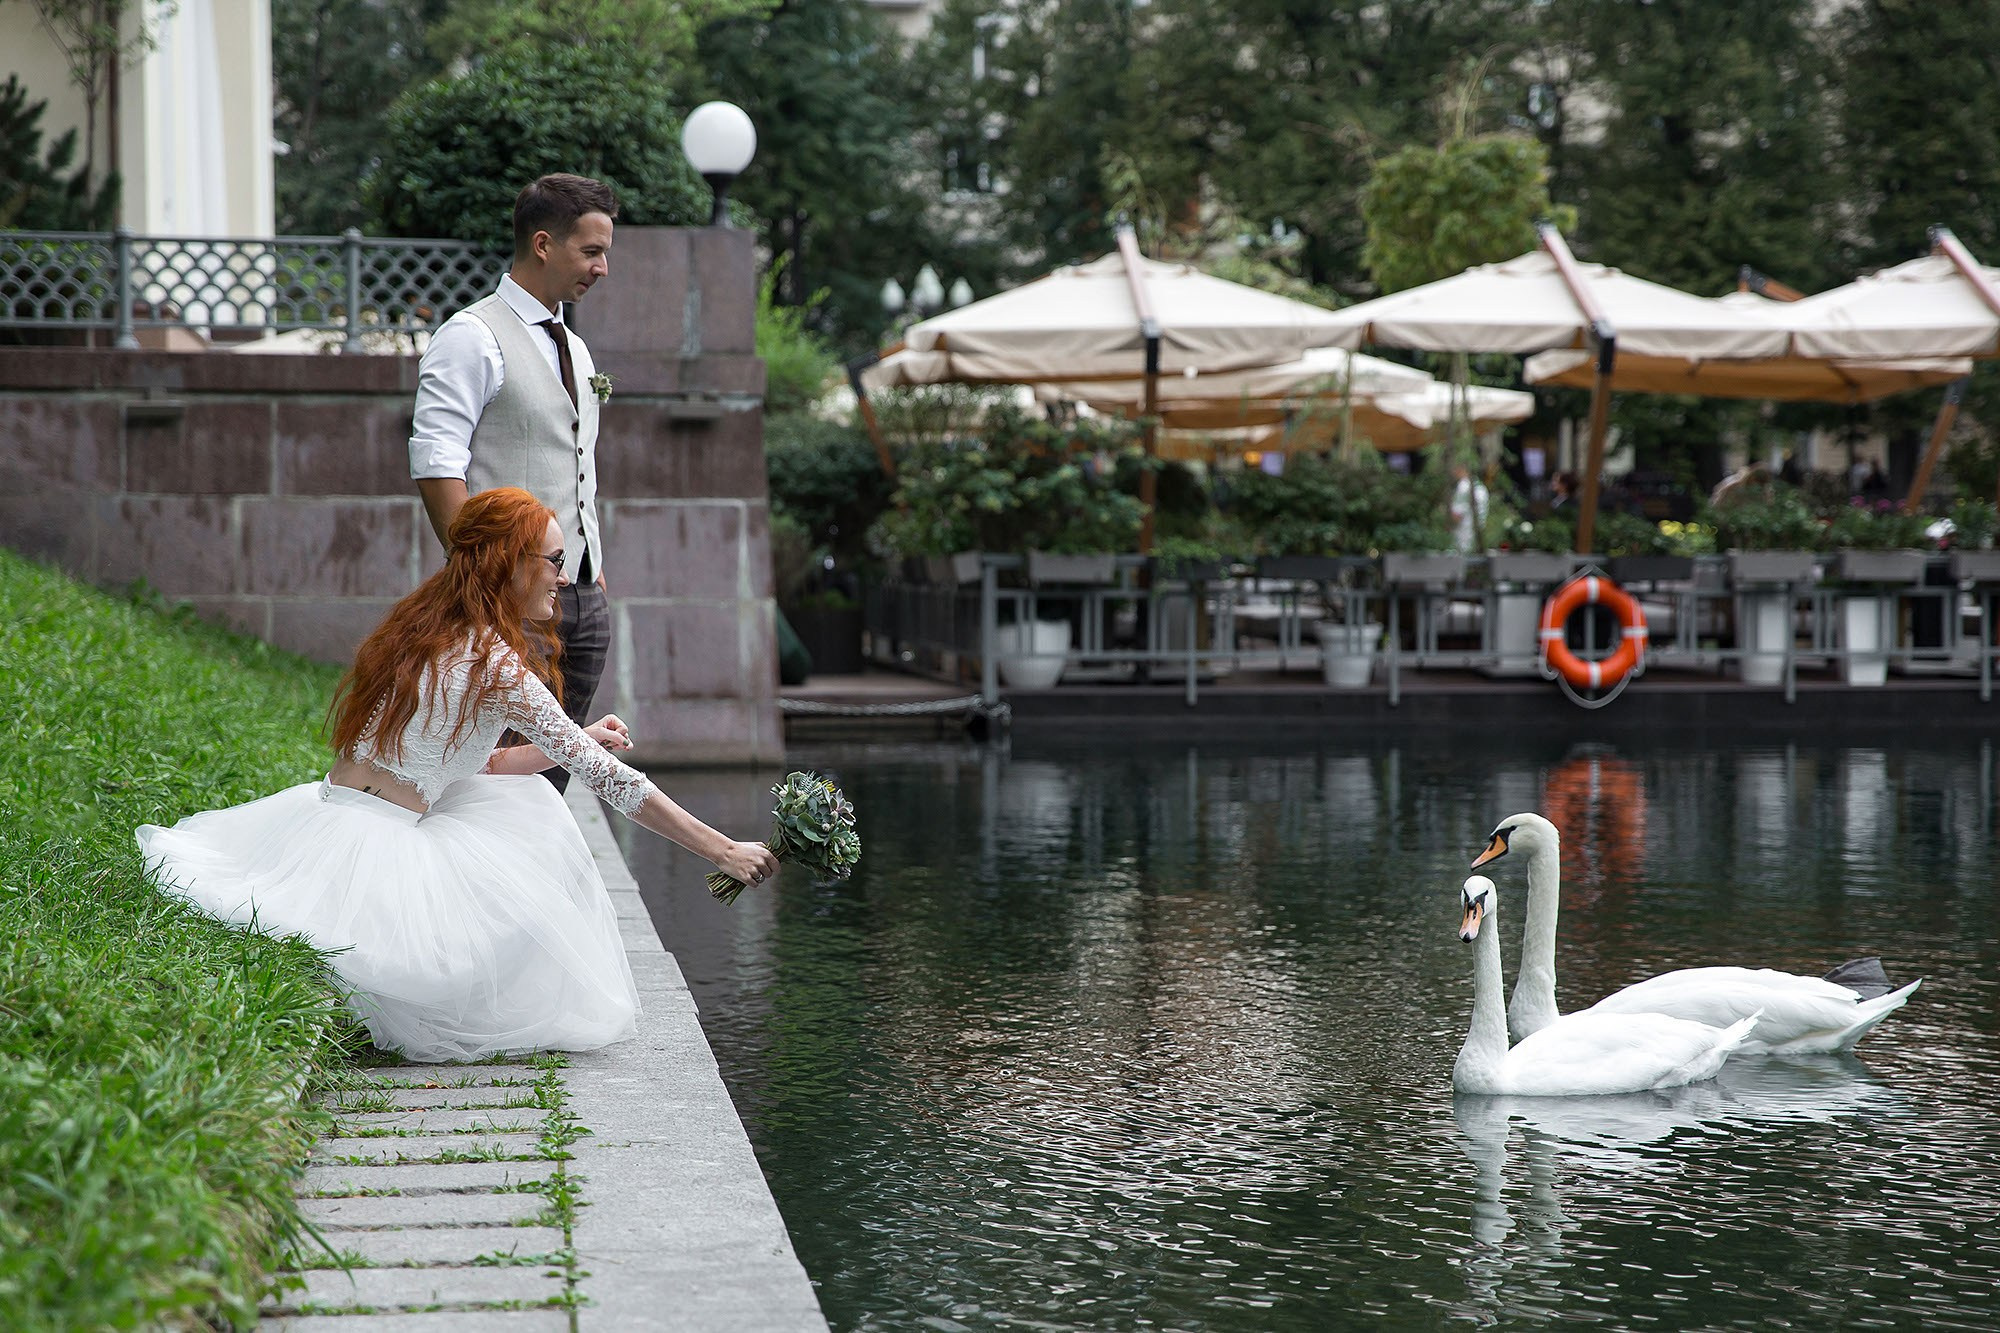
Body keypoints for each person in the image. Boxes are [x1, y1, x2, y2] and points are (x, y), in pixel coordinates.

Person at [136, 489, 779, 1062]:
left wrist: (575, 737)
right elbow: (613, 782)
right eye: (553, 561)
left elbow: (483, 761)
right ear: (512, 563)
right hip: (378, 846)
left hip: (320, 813)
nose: (563, 577)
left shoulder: (427, 626)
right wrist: (723, 849)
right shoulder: (497, 666)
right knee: (534, 825)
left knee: (515, 795)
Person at [410, 174, 617, 792]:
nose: (603, 268)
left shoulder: (576, 349)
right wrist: (484, 576)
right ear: (545, 244)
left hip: (581, 600)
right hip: (508, 602)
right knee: (489, 783)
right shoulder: (471, 337)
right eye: (592, 251)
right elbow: (435, 461)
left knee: (546, 788)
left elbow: (573, 461)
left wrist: (591, 569)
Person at [1448, 462, 1489, 554]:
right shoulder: (1480, 486)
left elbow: (1456, 516)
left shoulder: (1463, 486)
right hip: (1478, 534)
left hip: (1463, 534)